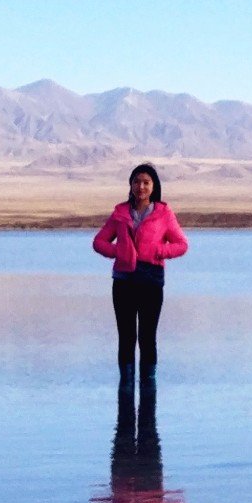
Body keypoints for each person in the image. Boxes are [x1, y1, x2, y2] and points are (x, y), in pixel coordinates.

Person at [92, 162, 188, 381]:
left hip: (151, 281)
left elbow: (181, 244)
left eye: (146, 182)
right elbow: (99, 242)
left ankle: (148, 388)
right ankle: (125, 389)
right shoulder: (120, 213)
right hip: (124, 281)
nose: (141, 187)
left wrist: (158, 251)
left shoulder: (164, 214)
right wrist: (119, 251)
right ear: (131, 185)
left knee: (147, 337)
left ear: (154, 186)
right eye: (137, 182)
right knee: (126, 337)